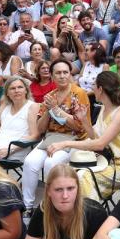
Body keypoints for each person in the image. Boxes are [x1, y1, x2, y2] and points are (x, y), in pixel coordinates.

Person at [49, 71, 120, 203]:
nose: (92, 89)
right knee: (69, 175)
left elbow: (100, 144)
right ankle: (81, 210)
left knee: (84, 178)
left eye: (94, 85)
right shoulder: (103, 108)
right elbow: (95, 138)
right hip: (104, 161)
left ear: (100, 89)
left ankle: (89, 215)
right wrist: (84, 120)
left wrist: (65, 143)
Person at [22, 58, 90, 212]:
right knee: (29, 162)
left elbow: (79, 126)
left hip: (74, 139)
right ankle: (28, 206)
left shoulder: (79, 93)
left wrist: (57, 110)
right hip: (51, 138)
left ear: (70, 74)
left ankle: (50, 207)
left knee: (50, 164)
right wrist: (48, 110)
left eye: (65, 72)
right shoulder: (50, 95)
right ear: (52, 76)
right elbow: (40, 129)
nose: (62, 76)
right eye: (58, 73)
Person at [0, 76, 39, 160]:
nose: (16, 91)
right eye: (12, 88)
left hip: (14, 149)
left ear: (26, 90)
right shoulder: (5, 106)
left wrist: (10, 149)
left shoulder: (32, 106)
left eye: (20, 87)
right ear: (7, 93)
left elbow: (34, 136)